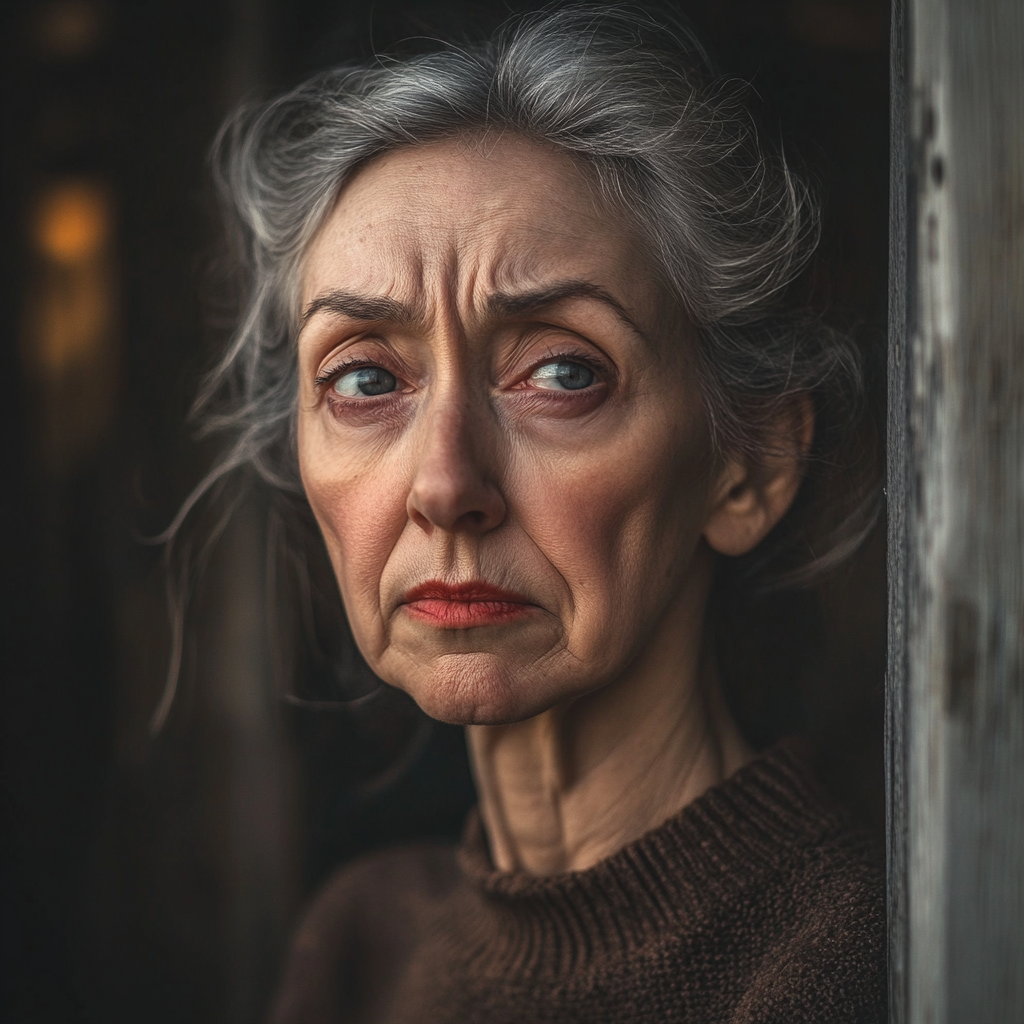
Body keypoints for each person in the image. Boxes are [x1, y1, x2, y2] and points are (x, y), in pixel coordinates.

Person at [187, 6, 885, 1021]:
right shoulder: (360, 943)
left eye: (562, 371)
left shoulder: (843, 963)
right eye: (365, 379)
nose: (444, 484)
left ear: (751, 464)